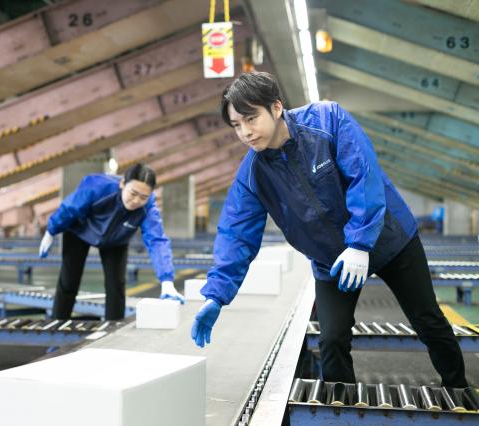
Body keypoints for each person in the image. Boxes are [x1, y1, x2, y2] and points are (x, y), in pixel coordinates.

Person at [190, 71, 469, 388]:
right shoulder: (253, 173)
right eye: (237, 125)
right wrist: (216, 295)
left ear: (277, 107)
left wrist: (361, 244)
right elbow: (236, 234)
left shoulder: (326, 121)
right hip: (331, 259)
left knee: (427, 320)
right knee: (332, 339)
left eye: (251, 119)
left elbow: (363, 176)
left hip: (390, 239)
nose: (245, 132)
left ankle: (458, 388)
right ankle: (341, 409)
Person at [39, 163, 184, 320]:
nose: (136, 201)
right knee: (69, 281)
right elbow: (69, 208)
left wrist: (166, 281)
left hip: (116, 240)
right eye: (133, 193)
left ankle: (114, 328)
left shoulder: (148, 208)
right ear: (122, 184)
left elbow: (157, 240)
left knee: (116, 286)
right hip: (79, 231)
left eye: (143, 197)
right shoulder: (96, 187)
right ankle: (58, 323)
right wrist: (51, 230)